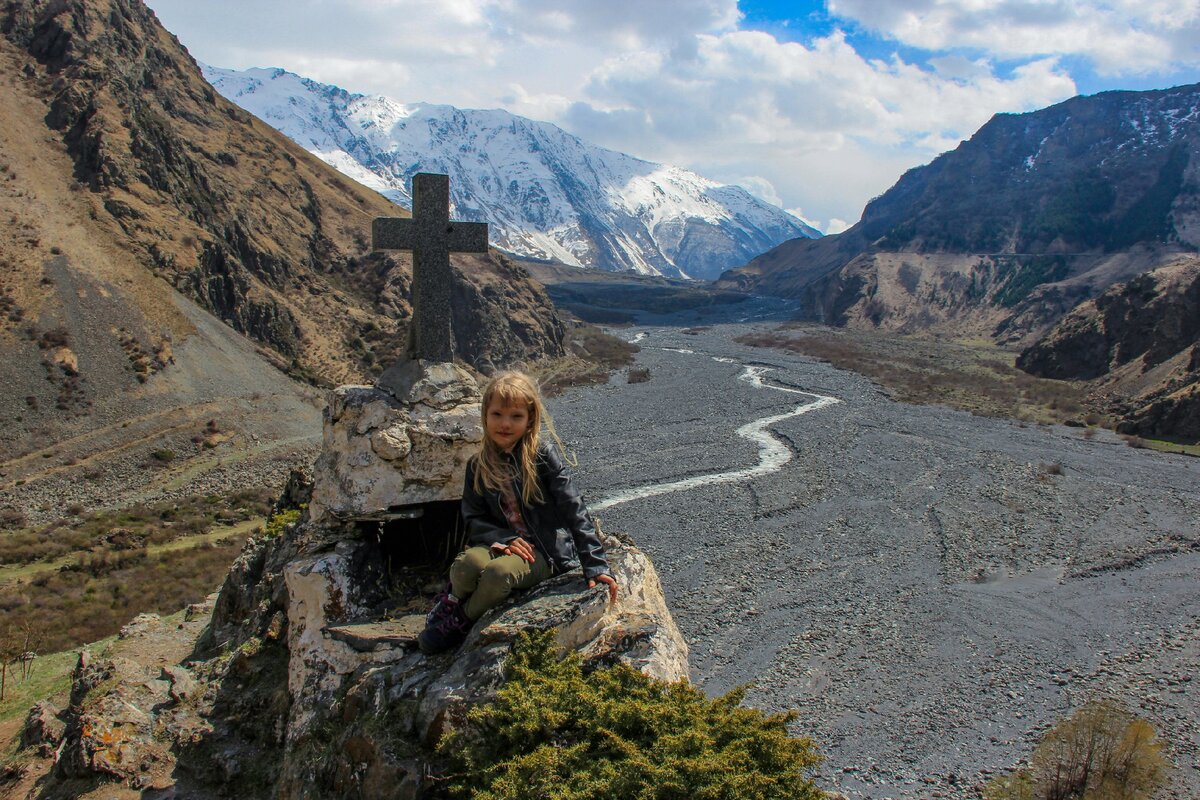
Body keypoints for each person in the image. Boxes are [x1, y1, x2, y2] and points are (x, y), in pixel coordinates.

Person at [418, 370, 618, 654]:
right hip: (503, 544)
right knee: (465, 566)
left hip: (544, 552)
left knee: (498, 575)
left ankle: (461, 621)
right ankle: (449, 602)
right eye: (497, 414)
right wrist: (502, 537)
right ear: (485, 414)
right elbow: (473, 517)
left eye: (516, 416)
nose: (505, 424)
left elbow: (574, 507)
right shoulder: (477, 465)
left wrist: (595, 563)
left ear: (530, 419)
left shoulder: (542, 456)